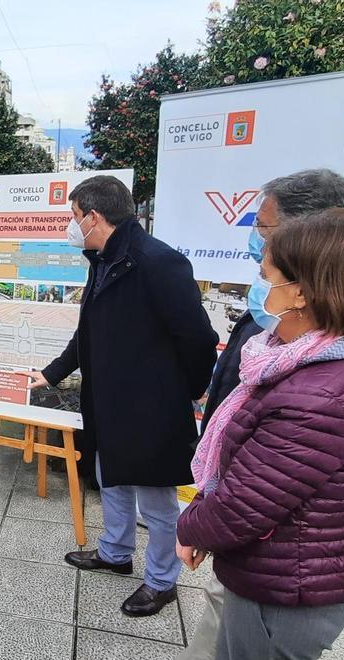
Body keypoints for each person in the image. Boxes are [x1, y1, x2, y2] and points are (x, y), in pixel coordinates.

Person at [175, 169, 344, 660]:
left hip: (285, 577)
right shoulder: (310, 355)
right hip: (278, 561)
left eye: (268, 259)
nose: (260, 271)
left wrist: (192, 524)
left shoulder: (318, 392)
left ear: (302, 290)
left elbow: (249, 502)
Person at [24, 175, 218, 618]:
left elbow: (199, 340)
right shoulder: (101, 258)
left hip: (150, 407)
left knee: (155, 498)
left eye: (74, 217)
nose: (72, 227)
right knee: (109, 477)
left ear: (94, 216)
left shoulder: (157, 262)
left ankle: (161, 581)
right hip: (108, 400)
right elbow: (87, 331)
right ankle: (115, 553)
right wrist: (52, 373)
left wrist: (182, 392)